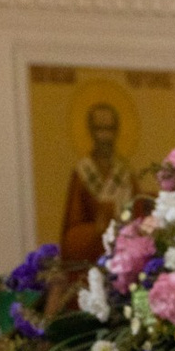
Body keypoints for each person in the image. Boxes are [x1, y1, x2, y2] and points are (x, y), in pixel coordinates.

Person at [57, 100, 141, 265]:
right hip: (91, 263)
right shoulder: (82, 174)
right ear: (91, 131)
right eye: (99, 129)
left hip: (125, 260)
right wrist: (96, 230)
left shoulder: (125, 173)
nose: (105, 136)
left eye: (110, 129)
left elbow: (139, 218)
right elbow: (70, 235)